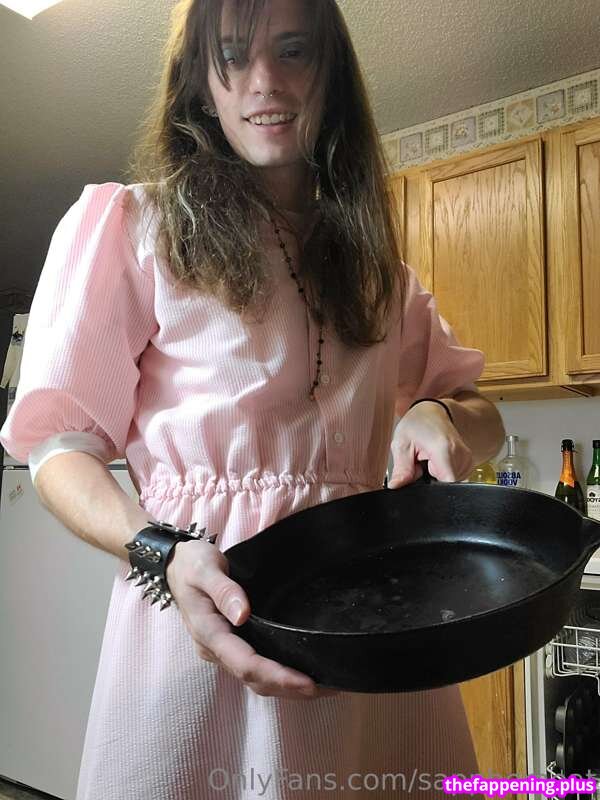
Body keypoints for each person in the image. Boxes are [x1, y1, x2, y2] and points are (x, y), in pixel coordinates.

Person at [0, 0, 505, 798]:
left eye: (293, 51)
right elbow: (57, 446)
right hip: (198, 618)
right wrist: (161, 552)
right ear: (200, 83)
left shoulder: (379, 274)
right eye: (232, 56)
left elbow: (481, 411)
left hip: (373, 630)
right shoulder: (135, 226)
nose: (264, 81)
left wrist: (437, 412)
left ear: (331, 74)